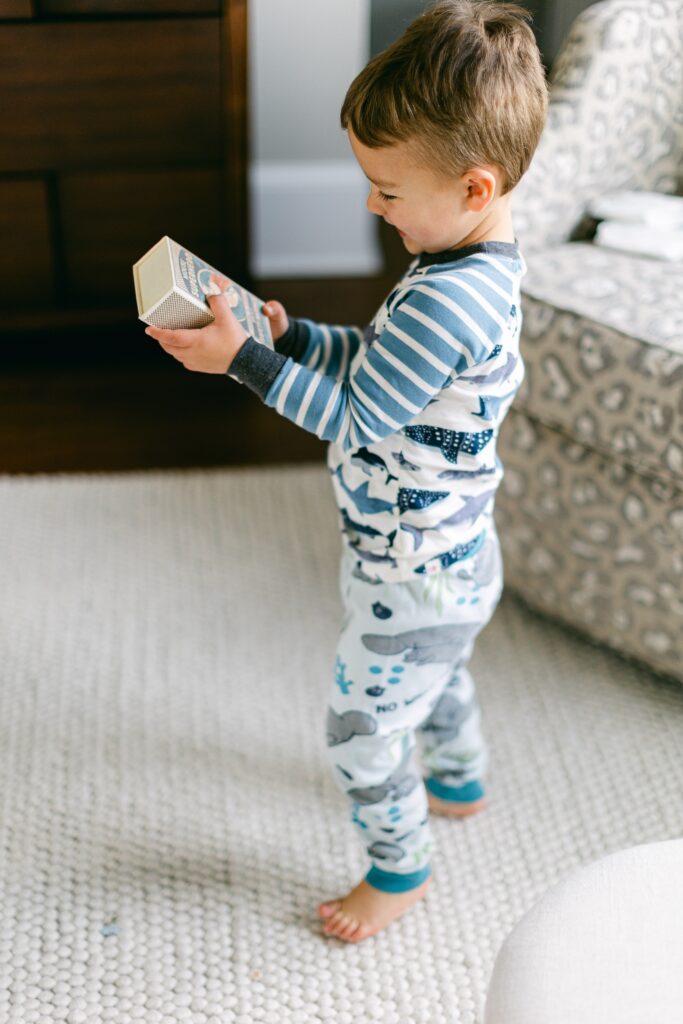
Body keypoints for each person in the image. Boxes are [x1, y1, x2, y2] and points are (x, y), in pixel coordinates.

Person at [145, 0, 548, 944]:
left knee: (364, 733)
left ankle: (399, 869)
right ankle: (458, 778)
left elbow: (360, 418)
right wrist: (292, 337)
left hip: (414, 572)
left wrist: (245, 364)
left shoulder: (449, 299)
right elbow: (378, 360)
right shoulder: (471, 263)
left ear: (476, 185)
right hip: (446, 559)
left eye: (387, 189)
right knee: (437, 678)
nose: (372, 203)